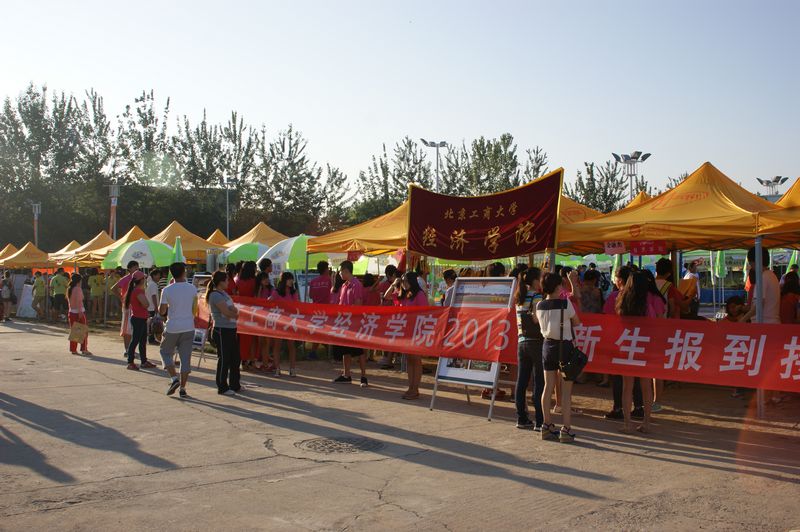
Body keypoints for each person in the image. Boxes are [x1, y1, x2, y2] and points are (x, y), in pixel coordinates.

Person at [536, 272, 581, 443]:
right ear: (557, 287)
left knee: (548, 387)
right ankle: (566, 429)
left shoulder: (539, 305)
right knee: (566, 391)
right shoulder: (565, 303)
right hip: (565, 347)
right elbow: (576, 322)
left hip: (547, 346)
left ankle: (546, 425)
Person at [616, 272, 656, 434]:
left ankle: (627, 424)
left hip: (627, 345)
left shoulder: (621, 302)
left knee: (627, 387)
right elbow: (653, 325)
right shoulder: (647, 305)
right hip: (644, 346)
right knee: (646, 386)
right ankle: (647, 422)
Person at [603, 266, 644, 420]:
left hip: (618, 340)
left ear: (619, 280)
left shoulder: (615, 296)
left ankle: (618, 408)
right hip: (637, 340)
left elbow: (606, 317)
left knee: (618, 377)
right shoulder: (638, 296)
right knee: (637, 376)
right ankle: (639, 407)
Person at [158, 262, 198, 398]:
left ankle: (174, 378)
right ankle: (183, 388)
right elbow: (195, 308)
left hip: (173, 327)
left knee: (165, 352)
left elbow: (162, 311)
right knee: (185, 358)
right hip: (189, 326)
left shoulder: (167, 290)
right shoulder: (192, 288)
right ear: (184, 272)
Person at [515, 267, 544, 430]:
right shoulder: (537, 296)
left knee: (522, 382)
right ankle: (540, 421)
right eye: (541, 278)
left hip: (521, 342)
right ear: (535, 280)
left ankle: (521, 418)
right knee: (539, 381)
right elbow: (536, 319)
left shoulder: (519, 297)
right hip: (536, 342)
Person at [333, 261, 368, 387]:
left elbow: (358, 304)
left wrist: (347, 311)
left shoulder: (356, 284)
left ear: (346, 271)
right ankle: (346, 374)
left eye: (341, 271)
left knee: (359, 351)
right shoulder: (344, 286)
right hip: (344, 323)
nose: (340, 273)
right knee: (345, 350)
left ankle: (363, 376)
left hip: (354, 323)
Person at [206, 270, 241, 395]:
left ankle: (235, 384)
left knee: (235, 358)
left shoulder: (224, 294)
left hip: (231, 328)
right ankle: (222, 386)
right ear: (220, 282)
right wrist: (234, 314)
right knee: (224, 358)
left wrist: (234, 313)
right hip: (222, 329)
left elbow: (233, 309)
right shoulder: (215, 295)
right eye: (226, 280)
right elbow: (226, 312)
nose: (228, 282)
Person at [397, 271, 427, 399]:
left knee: (416, 359)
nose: (403, 283)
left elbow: (425, 313)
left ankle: (415, 388)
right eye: (402, 281)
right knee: (409, 359)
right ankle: (411, 387)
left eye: (405, 281)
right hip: (406, 331)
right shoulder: (405, 295)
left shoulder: (419, 294)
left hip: (417, 331)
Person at [269, 272, 300, 377]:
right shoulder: (276, 292)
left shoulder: (293, 292)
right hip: (279, 321)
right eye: (289, 279)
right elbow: (268, 302)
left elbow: (296, 305)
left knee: (291, 345)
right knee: (277, 345)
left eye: (292, 279)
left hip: (290, 321)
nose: (291, 281)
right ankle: (277, 368)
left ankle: (292, 368)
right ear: (283, 280)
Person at [124, 271, 157, 370]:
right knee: (135, 340)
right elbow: (146, 304)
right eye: (144, 278)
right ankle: (130, 362)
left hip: (140, 318)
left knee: (142, 341)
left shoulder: (135, 290)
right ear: (141, 280)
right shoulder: (138, 291)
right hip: (138, 318)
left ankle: (144, 361)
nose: (145, 280)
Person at [739, 246, 781, 324]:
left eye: (750, 263)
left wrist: (742, 320)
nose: (751, 267)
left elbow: (758, 306)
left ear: (754, 262)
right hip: (771, 323)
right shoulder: (771, 275)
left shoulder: (763, 278)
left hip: (765, 324)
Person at [112, 261, 140, 357]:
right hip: (128, 308)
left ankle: (131, 349)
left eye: (137, 267)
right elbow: (113, 288)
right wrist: (122, 298)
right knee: (127, 329)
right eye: (135, 267)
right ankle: (127, 350)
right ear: (129, 269)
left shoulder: (138, 278)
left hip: (136, 307)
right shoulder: (126, 278)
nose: (137, 269)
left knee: (133, 329)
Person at [307, 261, 332, 360]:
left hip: (315, 310)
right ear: (326, 269)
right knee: (326, 330)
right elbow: (332, 293)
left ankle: (315, 352)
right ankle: (327, 351)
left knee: (318, 331)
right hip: (326, 309)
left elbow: (310, 295)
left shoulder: (313, 281)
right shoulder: (329, 280)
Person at [66, 273, 90, 355]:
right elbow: (79, 301)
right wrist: (80, 312)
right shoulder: (78, 289)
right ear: (79, 281)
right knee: (83, 331)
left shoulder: (70, 288)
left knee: (74, 331)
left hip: (72, 311)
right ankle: (84, 349)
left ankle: (73, 349)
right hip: (79, 311)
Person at [146, 269, 162, 344]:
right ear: (154, 275)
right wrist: (156, 307)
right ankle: (151, 339)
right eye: (158, 275)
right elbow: (154, 296)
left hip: (150, 307)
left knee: (152, 323)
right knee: (153, 324)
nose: (159, 277)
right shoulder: (153, 284)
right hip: (152, 307)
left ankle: (151, 338)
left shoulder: (151, 284)